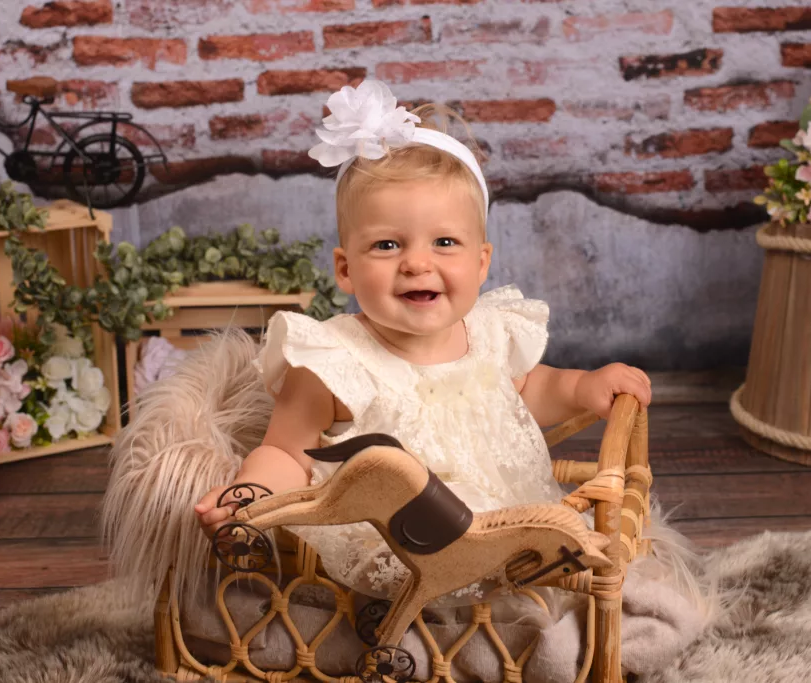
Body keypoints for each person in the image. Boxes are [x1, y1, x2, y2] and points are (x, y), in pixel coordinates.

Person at [195, 79, 652, 602]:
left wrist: (581, 386)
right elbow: (285, 451)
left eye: (444, 242)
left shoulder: (490, 331)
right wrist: (250, 495)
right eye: (387, 244)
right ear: (346, 269)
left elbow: (527, 391)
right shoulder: (331, 359)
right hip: (395, 543)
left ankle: (519, 607)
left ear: (481, 263)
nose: (417, 262)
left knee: (556, 564)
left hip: (509, 517)